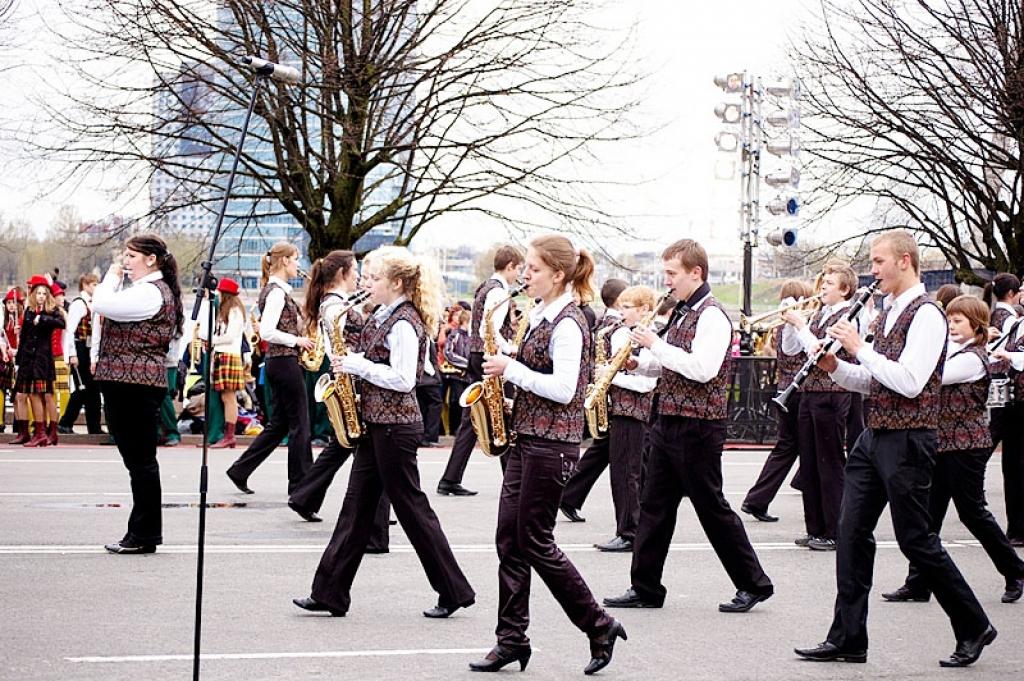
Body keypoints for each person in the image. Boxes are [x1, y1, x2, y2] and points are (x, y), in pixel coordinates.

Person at [795, 230, 994, 668]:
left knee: (916, 540)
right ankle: (848, 637)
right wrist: (838, 367)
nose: (873, 270)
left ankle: (973, 624)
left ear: (905, 261)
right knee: (849, 533)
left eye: (879, 261)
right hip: (875, 435)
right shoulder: (886, 312)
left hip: (910, 439)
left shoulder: (928, 315)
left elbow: (910, 381)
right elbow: (874, 381)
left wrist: (859, 347)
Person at [467, 234, 625, 675]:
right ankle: (511, 639)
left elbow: (564, 388)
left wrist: (509, 368)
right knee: (509, 539)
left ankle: (599, 623)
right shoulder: (539, 315)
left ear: (557, 274)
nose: (525, 275)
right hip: (527, 437)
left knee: (535, 540)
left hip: (551, 446)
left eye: (533, 269)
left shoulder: (571, 322)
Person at [294, 246, 474, 618]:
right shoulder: (381, 314)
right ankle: (329, 593)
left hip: (396, 428)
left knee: (412, 510)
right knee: (355, 508)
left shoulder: (405, 322)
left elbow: (405, 379)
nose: (366, 282)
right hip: (377, 424)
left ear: (395, 282)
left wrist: (358, 366)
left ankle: (454, 590)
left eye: (374, 278)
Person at [604, 238, 774, 614]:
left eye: (672, 274)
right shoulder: (682, 310)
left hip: (699, 426)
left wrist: (653, 344)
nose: (667, 281)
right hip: (669, 419)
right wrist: (639, 364)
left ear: (695, 273)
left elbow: (702, 368)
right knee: (654, 505)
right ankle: (645, 586)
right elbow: (670, 364)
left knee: (711, 507)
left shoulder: (713, 315)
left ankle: (753, 583)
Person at [879, 294, 1024, 604]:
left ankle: (1015, 571)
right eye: (949, 320)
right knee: (927, 517)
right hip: (939, 443)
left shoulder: (973, 358)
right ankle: (918, 583)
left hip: (966, 446)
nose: (952, 326)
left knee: (973, 513)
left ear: (977, 326)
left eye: (959, 321)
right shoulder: (952, 351)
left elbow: (933, 375)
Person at [92, 235, 183, 554]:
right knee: (139, 461)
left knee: (141, 462)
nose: (125, 261)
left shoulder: (149, 292)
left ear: (151, 259)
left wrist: (111, 277)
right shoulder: (151, 291)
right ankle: (143, 532)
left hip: (135, 385)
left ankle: (143, 534)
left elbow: (100, 303)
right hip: (132, 384)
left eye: (131, 256)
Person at [783, 260, 865, 551]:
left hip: (833, 393)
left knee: (829, 463)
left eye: (829, 284)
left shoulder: (849, 316)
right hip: (810, 392)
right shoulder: (820, 313)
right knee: (809, 462)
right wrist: (792, 325)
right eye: (823, 283)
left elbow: (822, 351)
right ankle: (815, 527)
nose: (822, 288)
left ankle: (834, 530)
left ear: (845, 290)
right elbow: (790, 349)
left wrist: (802, 326)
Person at [226, 242, 315, 495]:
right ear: (285, 260)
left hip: (277, 363)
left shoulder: (275, 290)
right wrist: (297, 340)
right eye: (296, 259)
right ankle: (301, 486)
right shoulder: (277, 292)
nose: (299, 265)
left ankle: (240, 470)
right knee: (300, 423)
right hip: (285, 362)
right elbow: (267, 331)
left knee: (279, 425)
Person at [439, 245, 524, 496]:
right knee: (504, 412)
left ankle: (450, 478)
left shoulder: (485, 286)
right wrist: (510, 348)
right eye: (518, 268)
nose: (519, 274)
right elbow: (492, 331)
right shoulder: (499, 292)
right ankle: (512, 479)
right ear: (510, 266)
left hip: (478, 355)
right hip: (491, 356)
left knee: (473, 419)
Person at [589, 284, 660, 552]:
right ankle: (631, 529)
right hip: (622, 409)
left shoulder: (648, 338)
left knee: (625, 473)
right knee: (625, 471)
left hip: (633, 411)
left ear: (644, 310)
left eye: (627, 308)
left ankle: (629, 532)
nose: (622, 312)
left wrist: (608, 376)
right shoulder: (628, 334)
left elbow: (646, 384)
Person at [741, 279, 813, 523]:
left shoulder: (781, 327)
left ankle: (758, 499)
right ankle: (759, 498)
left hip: (786, 391)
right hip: (797, 394)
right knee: (795, 447)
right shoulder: (792, 327)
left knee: (788, 447)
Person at [558, 277, 628, 523]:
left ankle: (570, 496)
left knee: (602, 450)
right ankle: (570, 496)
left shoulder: (601, 322)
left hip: (602, 393)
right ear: (620, 301)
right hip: (614, 396)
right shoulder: (617, 326)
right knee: (618, 454)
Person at [14, 276, 66, 448]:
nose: (41, 296)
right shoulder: (29, 311)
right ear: (34, 295)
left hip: (43, 360)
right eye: (39, 293)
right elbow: (23, 338)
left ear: (48, 295)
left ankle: (44, 432)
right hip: (28, 360)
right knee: (29, 395)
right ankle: (38, 432)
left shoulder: (51, 311)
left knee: (44, 396)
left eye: (44, 293)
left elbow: (61, 323)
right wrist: (18, 360)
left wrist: (43, 319)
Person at [58, 274, 102, 435]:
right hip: (80, 348)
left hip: (90, 349)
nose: (96, 287)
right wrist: (72, 354)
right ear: (85, 285)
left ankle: (93, 427)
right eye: (94, 284)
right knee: (84, 388)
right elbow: (70, 331)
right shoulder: (79, 304)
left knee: (92, 389)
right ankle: (66, 422)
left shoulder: (94, 304)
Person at [209, 277, 246, 449]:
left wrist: (212, 341)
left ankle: (230, 435)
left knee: (229, 398)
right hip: (223, 354)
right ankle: (228, 435)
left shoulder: (234, 311)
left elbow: (230, 336)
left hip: (229, 354)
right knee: (226, 397)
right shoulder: (228, 310)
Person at [1, 288, 25, 437]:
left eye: (13, 303)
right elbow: (3, 339)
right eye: (9, 303)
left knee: (19, 393)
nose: (11, 306)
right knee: (11, 393)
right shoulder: (5, 322)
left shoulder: (21, 320)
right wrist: (5, 351)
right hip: (8, 360)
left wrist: (19, 334)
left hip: (20, 359)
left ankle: (20, 425)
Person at [983, 272, 1020, 338]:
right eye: (1018, 291)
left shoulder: (993, 313)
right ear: (1010, 293)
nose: (1019, 294)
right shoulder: (1010, 319)